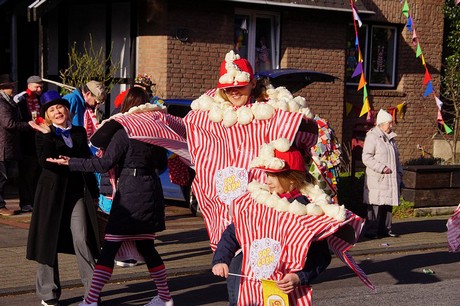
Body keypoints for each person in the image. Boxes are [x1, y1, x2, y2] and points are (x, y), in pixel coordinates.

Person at [48, 87, 173, 306]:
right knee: (147, 247)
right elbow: (162, 165)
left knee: (110, 248)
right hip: (152, 192)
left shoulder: (125, 130)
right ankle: (165, 298)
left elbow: (104, 163)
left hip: (130, 194)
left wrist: (71, 162)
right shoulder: (156, 131)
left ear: (126, 107)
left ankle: (90, 300)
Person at [212, 146, 331, 304]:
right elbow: (233, 232)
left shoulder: (308, 211)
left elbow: (321, 255)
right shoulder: (258, 202)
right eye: (267, 175)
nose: (267, 180)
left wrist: (299, 276)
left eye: (273, 176)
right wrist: (221, 259)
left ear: (291, 178)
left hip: (282, 289)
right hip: (246, 282)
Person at [26, 91, 100, 306]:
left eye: (60, 107)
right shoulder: (43, 133)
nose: (57, 111)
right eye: (51, 109)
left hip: (76, 193)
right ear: (47, 115)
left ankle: (92, 292)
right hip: (50, 194)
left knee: (82, 239)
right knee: (47, 242)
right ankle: (48, 293)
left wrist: (94, 193)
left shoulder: (78, 131)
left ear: (67, 110)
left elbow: (86, 162)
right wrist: (48, 135)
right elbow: (45, 162)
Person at [362, 108, 403, 239]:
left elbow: (396, 158)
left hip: (390, 178)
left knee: (387, 204)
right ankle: (371, 231)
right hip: (378, 178)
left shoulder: (391, 139)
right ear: (382, 123)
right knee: (376, 204)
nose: (391, 125)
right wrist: (381, 168)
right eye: (389, 123)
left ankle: (385, 230)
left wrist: (400, 172)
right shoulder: (373, 137)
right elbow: (366, 157)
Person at [0, 74, 32, 216]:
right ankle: (0, 205)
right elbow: (9, 124)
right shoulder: (2, 103)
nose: (12, 88)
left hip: (7, 146)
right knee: (2, 177)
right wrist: (28, 125)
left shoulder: (8, 102)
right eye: (10, 86)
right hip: (3, 147)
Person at [13, 75, 44, 213]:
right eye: (37, 86)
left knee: (38, 172)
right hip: (26, 141)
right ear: (29, 85)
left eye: (41, 87)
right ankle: (25, 201)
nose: (39, 89)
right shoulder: (21, 99)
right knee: (27, 173)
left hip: (39, 138)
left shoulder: (41, 99)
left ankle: (36, 201)